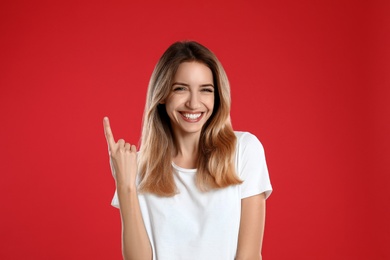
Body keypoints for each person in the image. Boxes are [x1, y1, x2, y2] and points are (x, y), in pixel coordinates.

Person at [103, 40, 272, 260]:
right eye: (181, 88)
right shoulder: (137, 168)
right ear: (162, 95)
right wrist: (125, 186)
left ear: (217, 97)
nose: (194, 103)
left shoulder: (245, 151)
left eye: (206, 90)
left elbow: (249, 256)